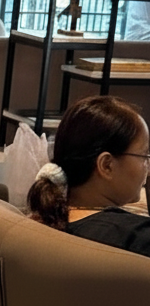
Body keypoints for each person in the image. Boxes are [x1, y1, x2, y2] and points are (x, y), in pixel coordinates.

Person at [27, 95, 150, 254]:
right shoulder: (137, 236)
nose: (148, 166)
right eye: (144, 156)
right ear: (106, 165)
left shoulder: (44, 221)